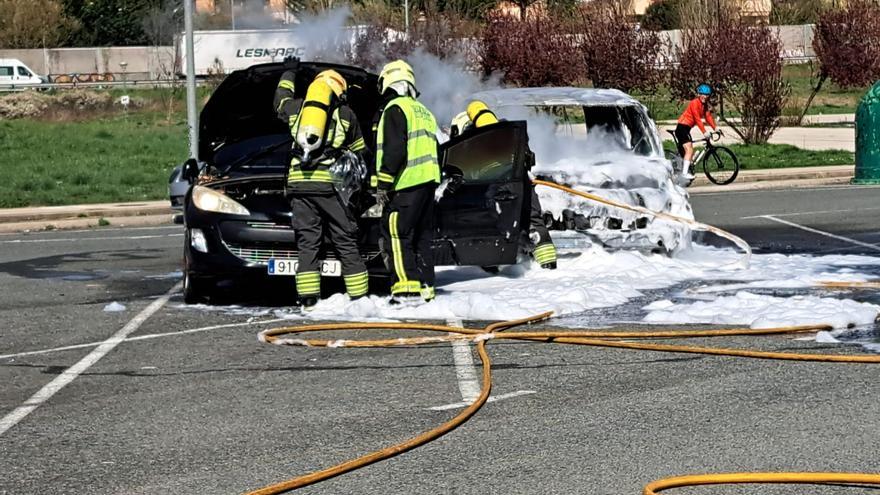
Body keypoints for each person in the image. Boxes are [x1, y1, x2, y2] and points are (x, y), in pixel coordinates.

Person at [286, 70, 369, 309]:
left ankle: (309, 298)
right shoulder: (345, 114)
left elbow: (279, 100)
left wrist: (289, 73)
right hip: (330, 187)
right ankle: (359, 298)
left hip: (299, 185)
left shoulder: (296, 109)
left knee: (307, 242)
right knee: (345, 238)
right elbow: (360, 150)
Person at [449, 101, 557, 270]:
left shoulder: (473, 138)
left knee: (493, 224)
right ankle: (548, 262)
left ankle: (492, 265)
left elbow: (469, 169)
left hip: (495, 186)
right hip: (522, 183)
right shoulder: (511, 131)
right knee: (533, 219)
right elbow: (528, 158)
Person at [374, 60, 441, 305]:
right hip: (427, 184)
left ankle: (405, 291)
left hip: (406, 184)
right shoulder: (423, 111)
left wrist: (383, 184)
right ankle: (426, 289)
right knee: (421, 238)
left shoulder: (395, 108)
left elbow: (394, 151)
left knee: (396, 234)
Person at [676, 84, 718, 180]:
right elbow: (697, 118)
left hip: (687, 128)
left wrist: (715, 128)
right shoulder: (694, 103)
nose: (705, 96)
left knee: (689, 150)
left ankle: (686, 164)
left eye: (707, 95)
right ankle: (684, 174)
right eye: (703, 94)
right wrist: (704, 132)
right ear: (699, 94)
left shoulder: (704, 105)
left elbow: (708, 117)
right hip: (682, 127)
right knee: (689, 150)